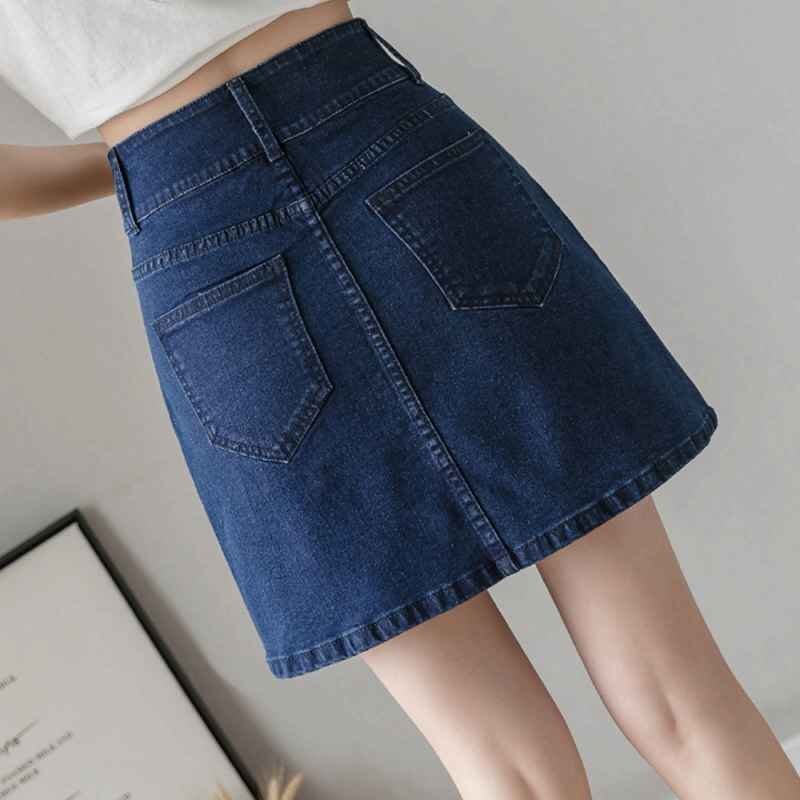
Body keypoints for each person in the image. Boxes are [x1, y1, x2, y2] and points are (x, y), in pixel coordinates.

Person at [1, 2, 797, 798]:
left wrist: (142, 169)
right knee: (679, 697)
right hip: (388, 137)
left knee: (504, 767)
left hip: (195, 242)